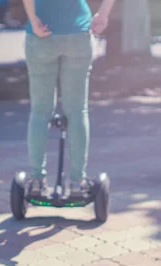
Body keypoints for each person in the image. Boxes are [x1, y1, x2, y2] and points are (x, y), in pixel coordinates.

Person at [23, 0, 117, 196]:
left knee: (40, 110)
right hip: (78, 33)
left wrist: (33, 20)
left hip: (41, 33)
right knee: (77, 110)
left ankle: (37, 181)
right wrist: (103, 13)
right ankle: (77, 181)